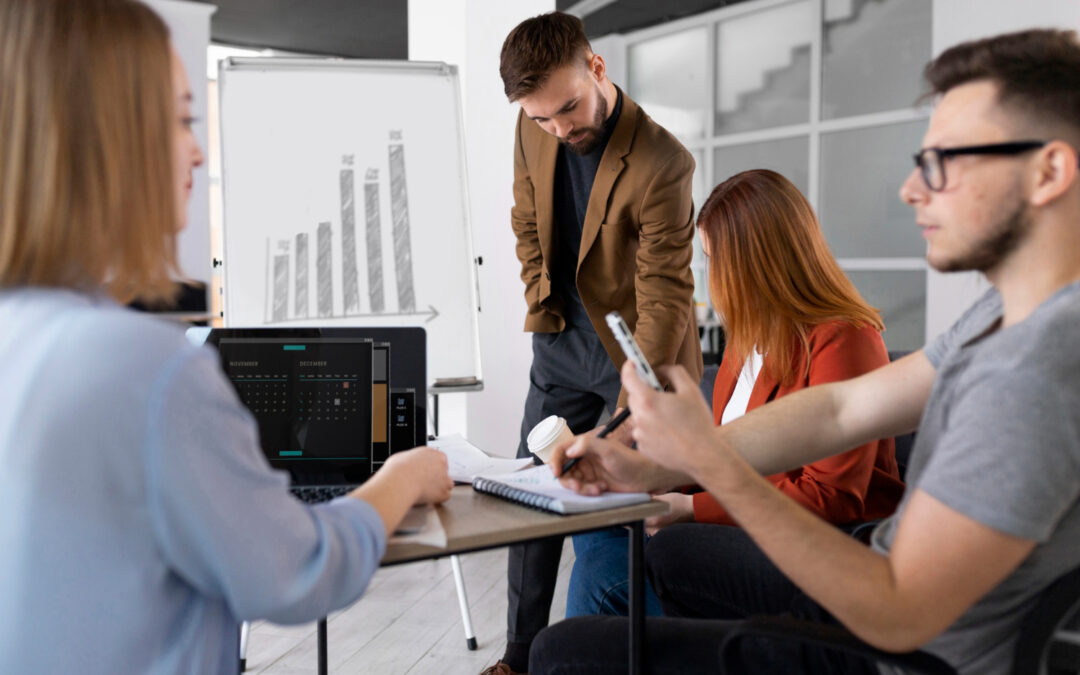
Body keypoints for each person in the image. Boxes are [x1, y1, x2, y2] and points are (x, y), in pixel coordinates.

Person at [537, 27, 1080, 675]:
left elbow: (900, 610)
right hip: (878, 598)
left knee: (565, 651)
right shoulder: (1003, 315)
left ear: (1048, 171)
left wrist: (706, 466)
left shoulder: (1036, 373)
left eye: (944, 161)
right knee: (649, 564)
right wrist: (655, 468)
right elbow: (842, 410)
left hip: (894, 650)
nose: (912, 189)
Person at [0, 1, 453, 672]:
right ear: (104, 136)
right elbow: (299, 570)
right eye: (181, 119)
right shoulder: (143, 370)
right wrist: (405, 474)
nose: (199, 150)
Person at [564, 170, 905, 619]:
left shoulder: (845, 338)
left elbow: (833, 498)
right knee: (595, 527)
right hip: (745, 524)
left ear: (756, 262)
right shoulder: (747, 341)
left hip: (820, 543)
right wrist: (663, 482)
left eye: (714, 260)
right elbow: (730, 452)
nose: (709, 278)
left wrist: (690, 507)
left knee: (616, 576)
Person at [487, 11, 703, 674]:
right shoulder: (534, 126)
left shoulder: (664, 160)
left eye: (568, 110)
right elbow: (526, 219)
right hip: (558, 343)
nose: (558, 129)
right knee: (530, 497)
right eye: (542, 118)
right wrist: (539, 297)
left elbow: (666, 290)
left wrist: (637, 393)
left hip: (633, 355)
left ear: (597, 68)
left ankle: (626, 646)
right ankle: (520, 654)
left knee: (622, 506)